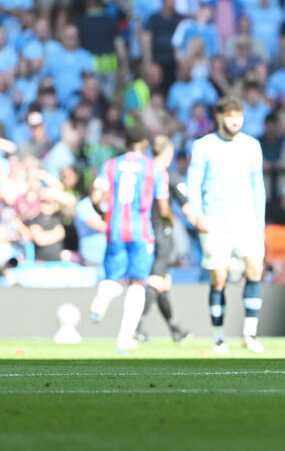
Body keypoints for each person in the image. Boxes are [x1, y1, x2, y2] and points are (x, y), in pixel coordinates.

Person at [186, 96, 267, 354]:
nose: (235, 121)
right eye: (230, 116)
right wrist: (199, 214)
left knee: (255, 269)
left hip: (246, 220)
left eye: (239, 116)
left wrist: (260, 220)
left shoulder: (252, 146)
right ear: (219, 117)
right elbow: (194, 183)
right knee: (219, 277)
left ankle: (250, 334)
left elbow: (258, 185)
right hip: (215, 222)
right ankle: (219, 338)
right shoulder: (203, 146)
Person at [87, 124, 174, 351]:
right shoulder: (153, 168)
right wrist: (168, 221)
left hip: (115, 229)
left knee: (113, 278)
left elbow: (96, 197)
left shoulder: (110, 165)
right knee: (137, 283)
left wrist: (103, 212)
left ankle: (104, 293)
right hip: (141, 231)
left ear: (125, 142)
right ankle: (124, 338)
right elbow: (163, 208)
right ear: (145, 143)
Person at [135, 135, 191, 344]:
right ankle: (136, 326)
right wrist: (197, 221)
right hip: (161, 233)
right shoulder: (167, 176)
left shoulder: (143, 173)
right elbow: (185, 203)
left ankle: (174, 329)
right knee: (156, 280)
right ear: (169, 153)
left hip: (141, 231)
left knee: (162, 282)